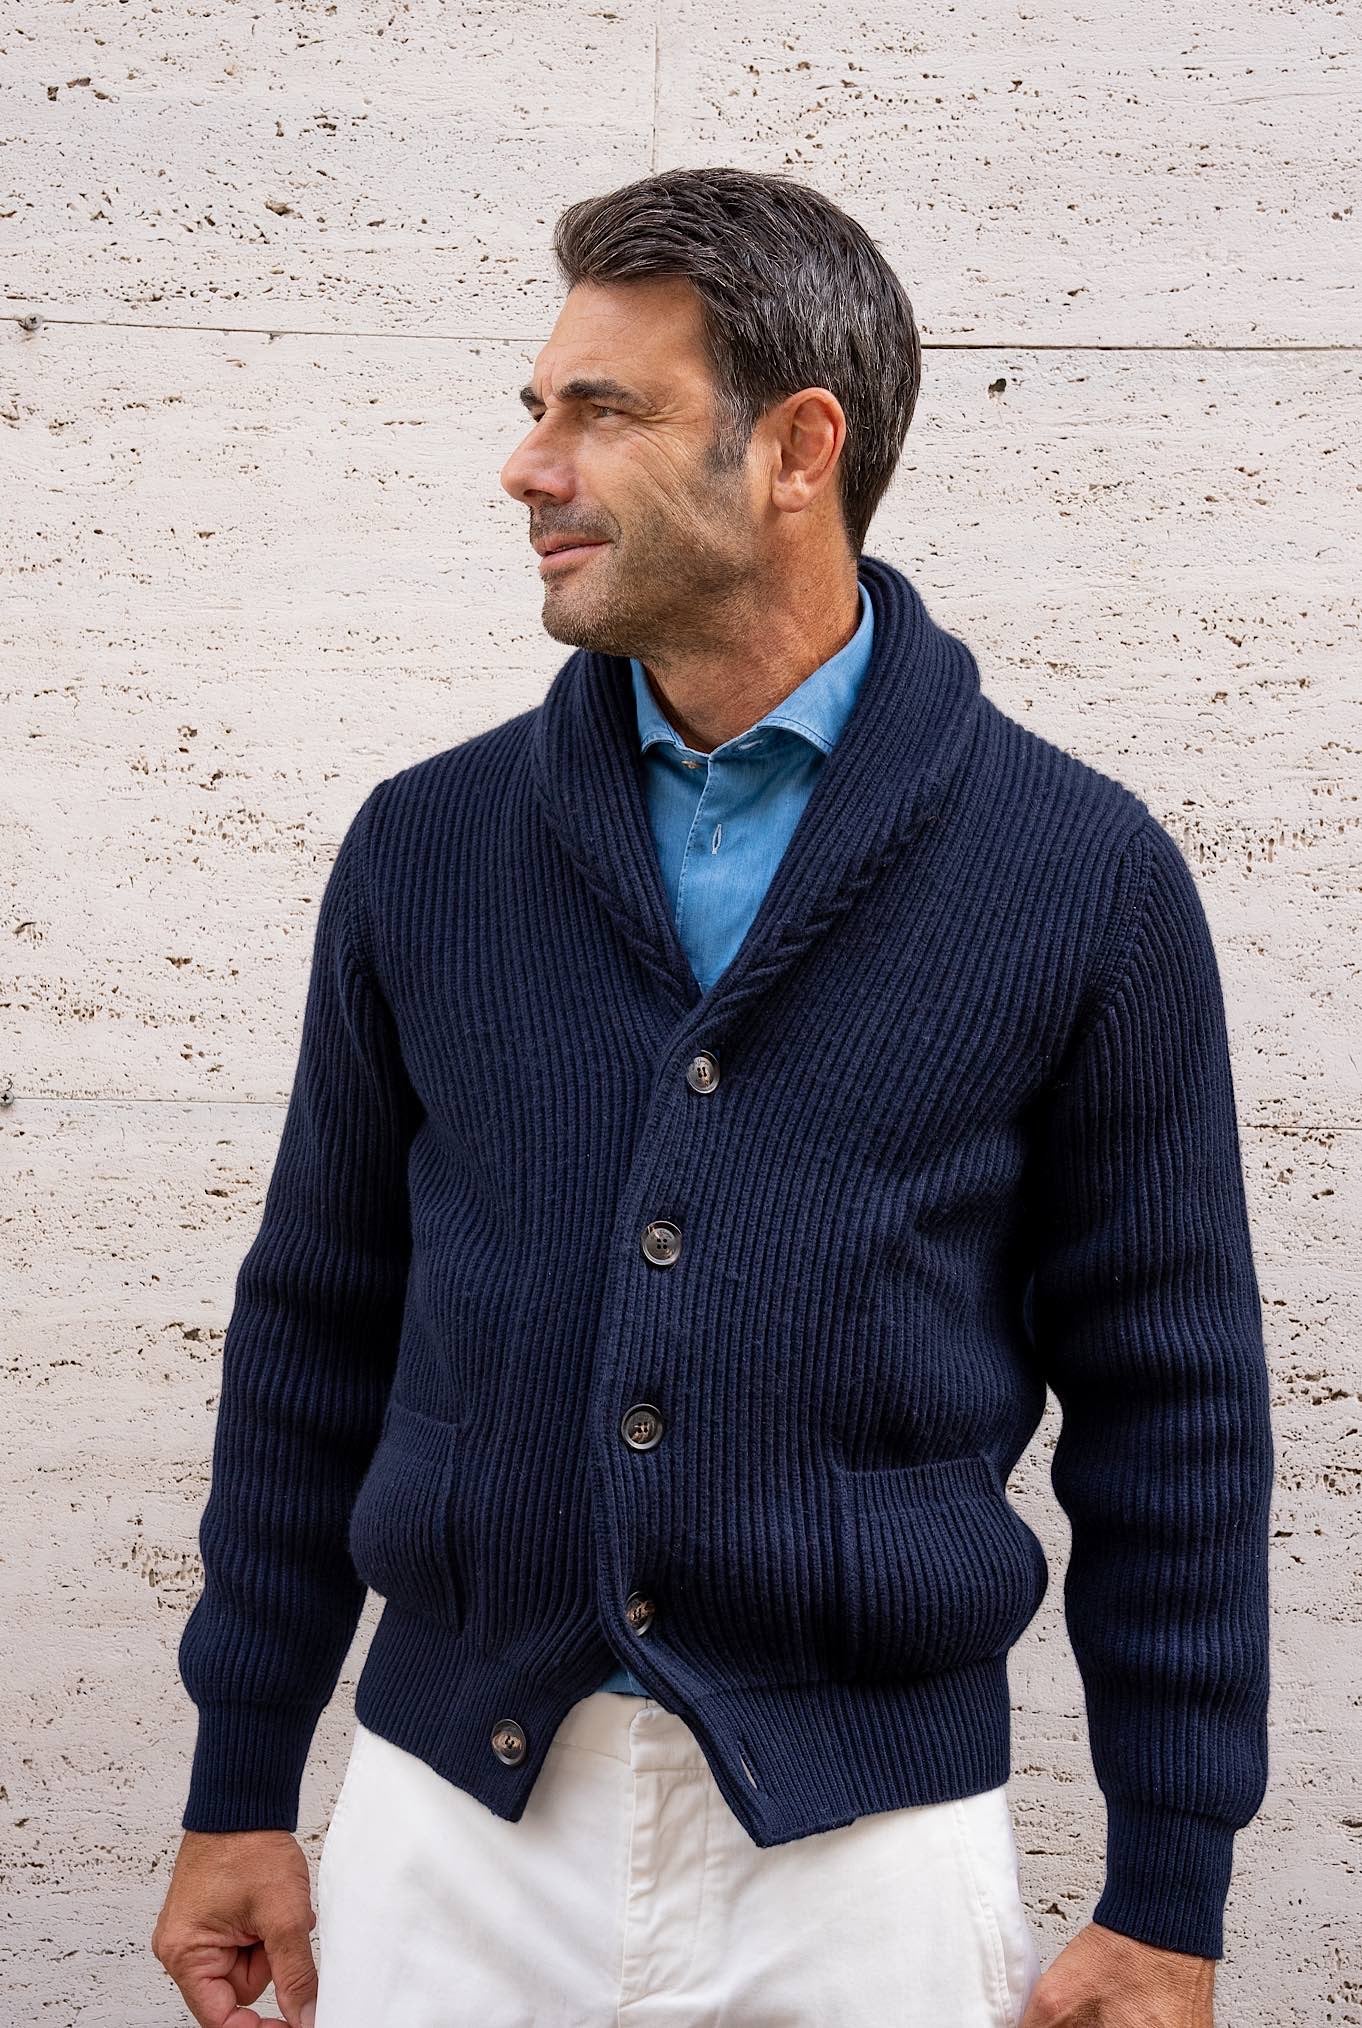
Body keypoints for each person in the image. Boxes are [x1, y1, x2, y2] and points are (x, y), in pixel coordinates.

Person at [151, 166, 1272, 2028]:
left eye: (601, 410)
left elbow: (1176, 1412)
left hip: (865, 1858)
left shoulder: (1077, 874)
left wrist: (1169, 1884)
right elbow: (313, 1332)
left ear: (796, 449)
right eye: (536, 406)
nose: (527, 466)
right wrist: (238, 1778)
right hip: (452, 1828)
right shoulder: (428, 847)